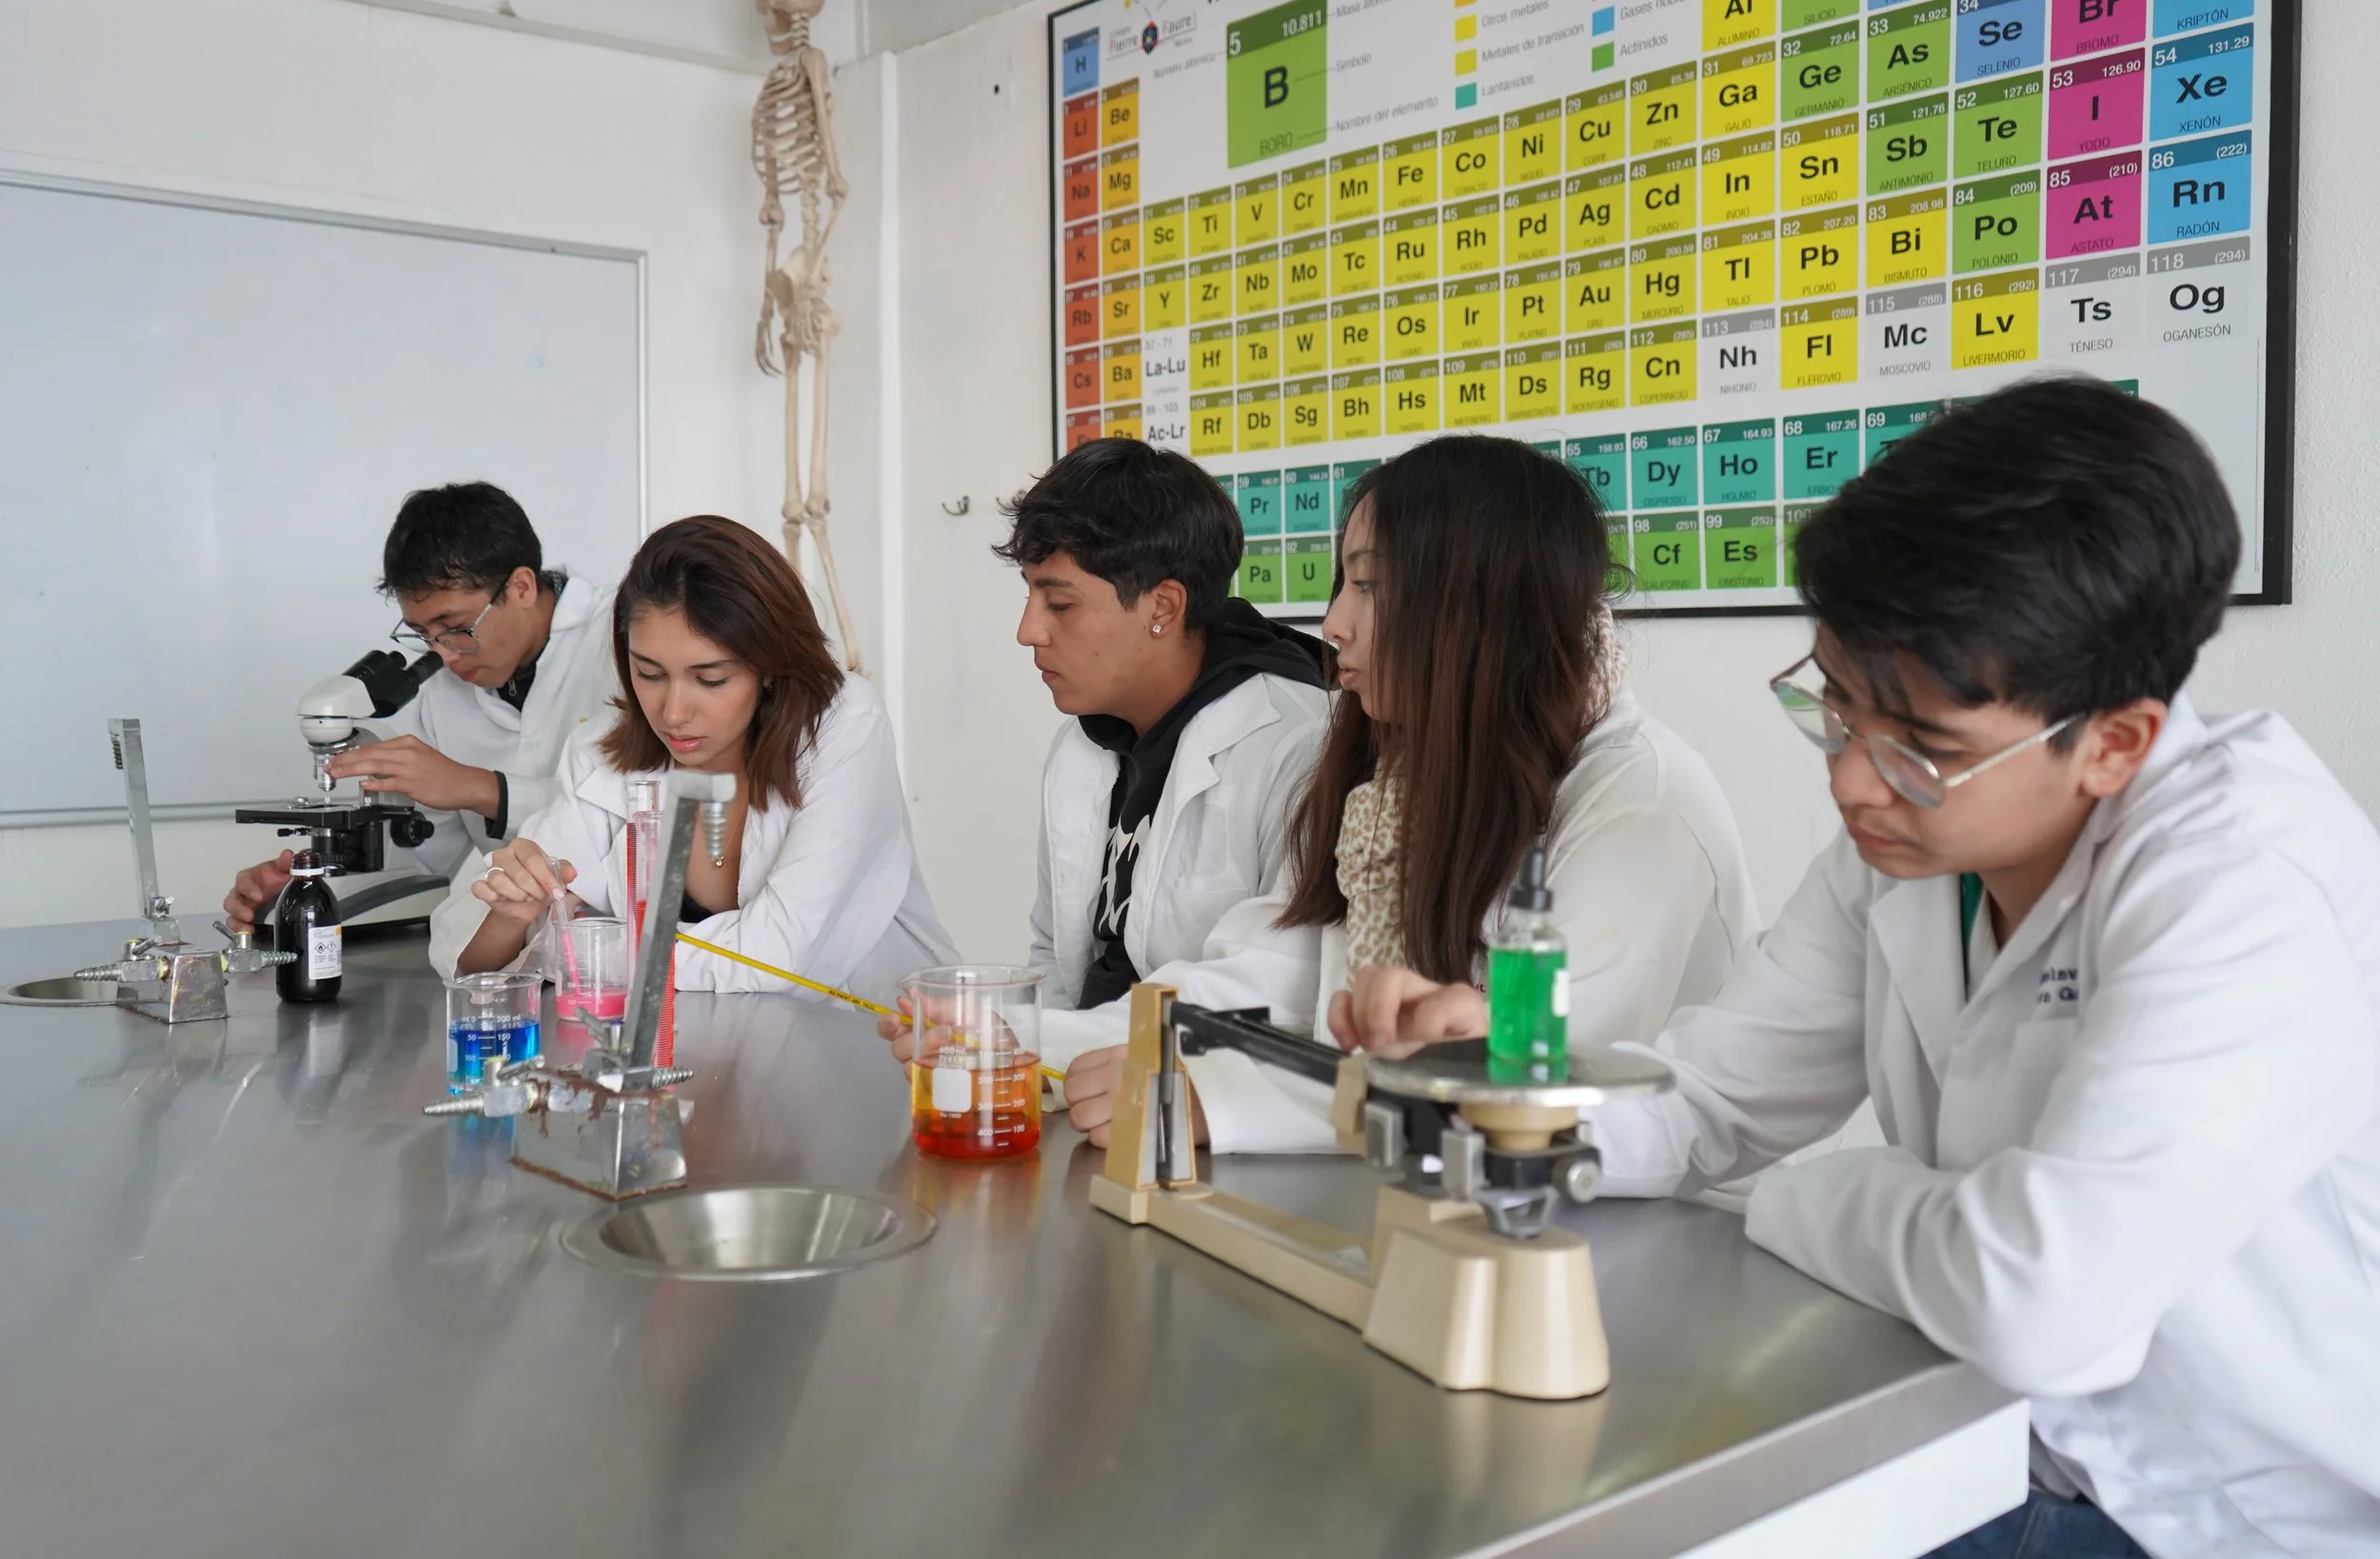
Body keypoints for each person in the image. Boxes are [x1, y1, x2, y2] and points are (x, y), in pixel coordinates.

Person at [1336, 382, 2380, 1558]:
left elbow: (2036, 1298)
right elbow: (1713, 1096)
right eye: (1835, 702)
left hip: (2231, 1518)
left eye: (1922, 747)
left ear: (2115, 740)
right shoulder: (1909, 849)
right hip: (1997, 1443)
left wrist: (1808, 1191)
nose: (1850, 781)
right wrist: (1507, 1074)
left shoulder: (2246, 882)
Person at [958, 433, 1757, 1154]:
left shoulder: (1642, 805)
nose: (1332, 623)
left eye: (1368, 587)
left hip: (1619, 1229)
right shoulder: (1404, 776)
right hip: (1429, 1194)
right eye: (1344, 582)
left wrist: (1224, 1102)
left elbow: (1533, 1087)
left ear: (1474, 606)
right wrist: (1018, 1037)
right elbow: (1270, 966)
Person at [428, 515, 955, 1007]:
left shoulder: (842, 726)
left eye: (711, 679)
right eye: (649, 674)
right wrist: (511, 917)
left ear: (769, 665)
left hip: (878, 1044)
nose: (673, 713)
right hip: (711, 1062)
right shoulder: (606, 753)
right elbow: (462, 944)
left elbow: (778, 960)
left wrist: (581, 945)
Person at [1002, 439, 1330, 1009]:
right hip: (1087, 1074)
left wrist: (1048, 1044)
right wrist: (1021, 1052)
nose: (1028, 631)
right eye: (1030, 594)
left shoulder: (1298, 743)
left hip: (1203, 1086)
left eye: (1059, 604)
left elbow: (1279, 993)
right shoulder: (1081, 745)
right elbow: (1053, 957)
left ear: (1162, 608)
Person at [223, 483, 617, 926]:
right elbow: (431, 863)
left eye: (456, 626)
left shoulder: (626, 643)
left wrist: (477, 787)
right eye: (423, 633)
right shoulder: (443, 691)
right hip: (514, 948)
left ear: (522, 587)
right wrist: (301, 888)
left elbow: (634, 816)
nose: (443, 654)